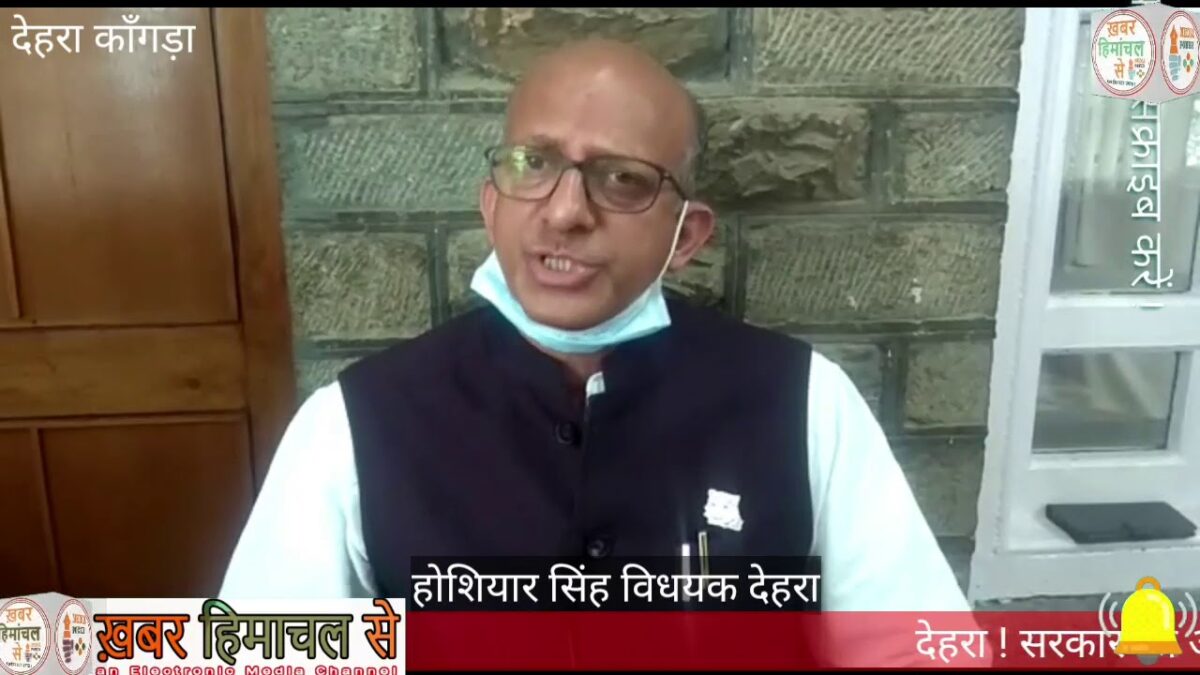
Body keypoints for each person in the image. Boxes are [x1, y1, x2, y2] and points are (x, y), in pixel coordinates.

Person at [220, 39, 970, 620]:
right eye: (533, 163)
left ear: (685, 236)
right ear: (490, 204)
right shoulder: (354, 426)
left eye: (623, 179)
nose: (565, 211)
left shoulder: (804, 405)